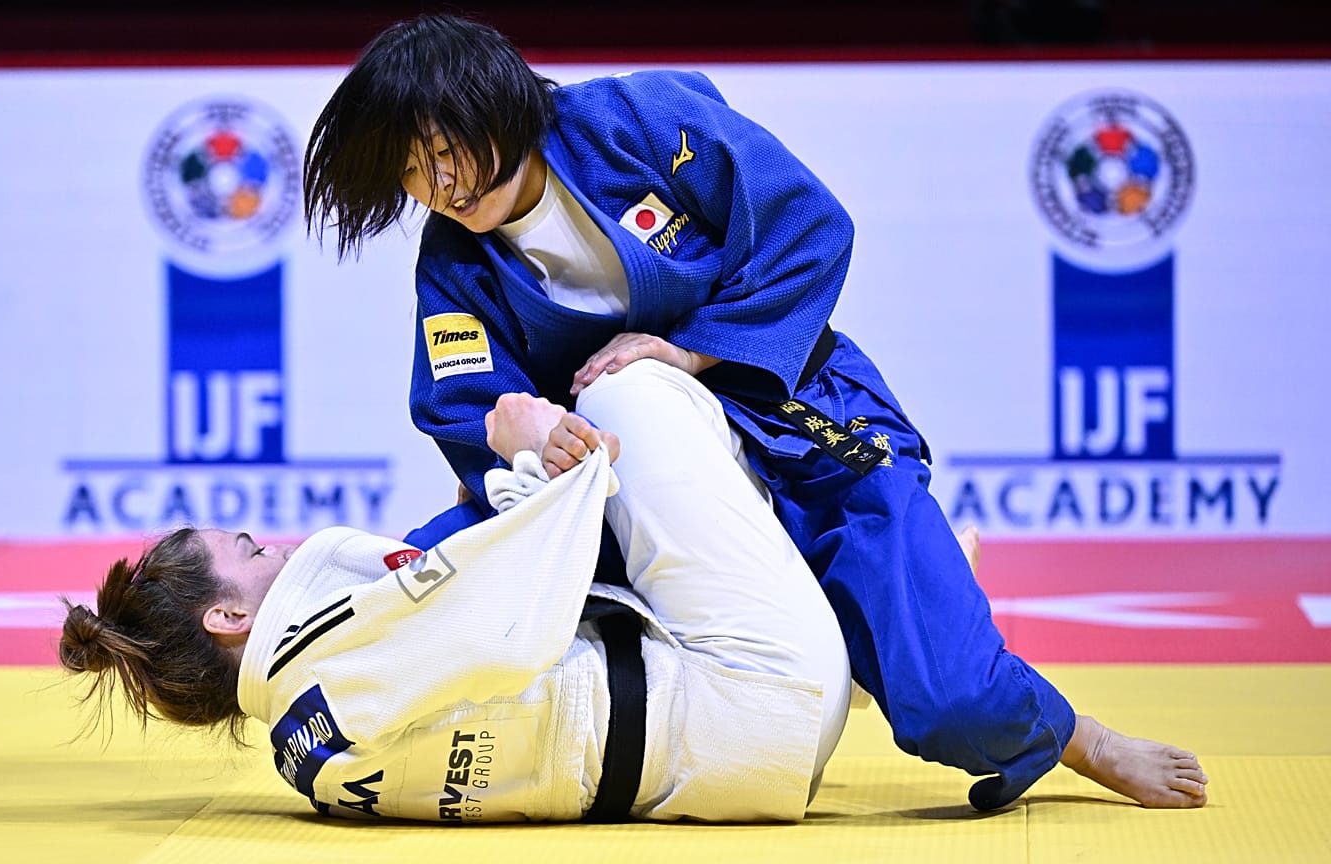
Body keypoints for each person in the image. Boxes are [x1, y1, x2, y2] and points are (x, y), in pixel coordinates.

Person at [298, 14, 1208, 810]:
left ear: (497, 102)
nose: (444, 187)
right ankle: (825, 621)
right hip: (634, 488)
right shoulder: (451, 261)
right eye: (415, 174)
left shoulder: (640, 123)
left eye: (447, 151)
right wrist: (519, 424)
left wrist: (689, 350)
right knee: (420, 581)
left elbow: (808, 226)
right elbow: (464, 399)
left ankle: (1075, 734)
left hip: (793, 420)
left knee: (953, 704)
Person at [62, 361, 853, 822]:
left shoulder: (302, 750)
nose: (278, 547)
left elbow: (487, 630)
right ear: (231, 615)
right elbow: (511, 625)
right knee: (630, 390)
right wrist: (539, 454)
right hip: (764, 692)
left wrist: (533, 483)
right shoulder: (330, 638)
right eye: (252, 550)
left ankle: (824, 600)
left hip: (719, 766)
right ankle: (850, 570)